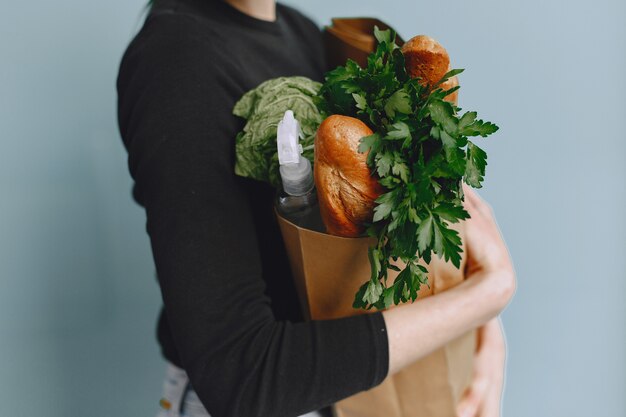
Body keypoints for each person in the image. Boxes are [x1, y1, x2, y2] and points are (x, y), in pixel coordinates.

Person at [116, 0, 517, 416]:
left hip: (354, 391)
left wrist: (486, 332)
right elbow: (243, 377)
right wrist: (487, 295)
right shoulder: (178, 61)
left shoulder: (301, 31)